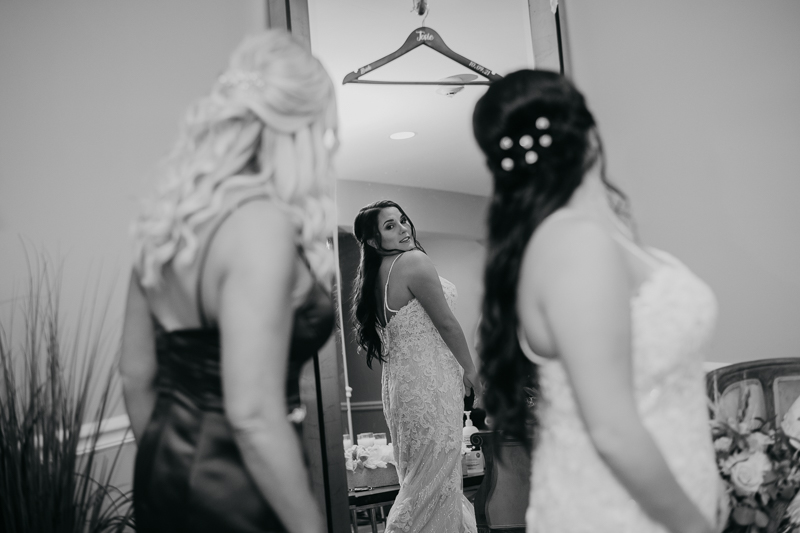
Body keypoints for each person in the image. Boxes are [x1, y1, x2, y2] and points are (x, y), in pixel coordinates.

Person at [473, 70, 726, 533]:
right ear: (590, 135)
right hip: (619, 511)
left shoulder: (602, 237)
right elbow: (611, 430)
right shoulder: (573, 245)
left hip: (664, 489)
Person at [119, 30, 337, 533]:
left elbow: (135, 375)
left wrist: (175, 465)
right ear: (301, 127)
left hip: (164, 471)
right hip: (238, 486)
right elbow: (254, 417)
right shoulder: (260, 225)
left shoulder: (171, 217)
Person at [351, 200, 479, 533]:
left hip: (402, 389)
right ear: (373, 240)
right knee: (432, 484)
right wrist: (472, 372)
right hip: (430, 386)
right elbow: (447, 324)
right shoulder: (413, 262)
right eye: (390, 226)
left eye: (403, 220)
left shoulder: (375, 277)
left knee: (422, 480)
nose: (404, 228)